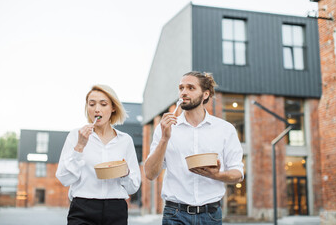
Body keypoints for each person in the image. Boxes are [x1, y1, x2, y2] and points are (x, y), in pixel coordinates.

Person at [144, 71, 244, 225]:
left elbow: (238, 174)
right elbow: (150, 174)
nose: (184, 92)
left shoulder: (225, 129)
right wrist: (165, 138)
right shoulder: (165, 128)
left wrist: (215, 175)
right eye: (181, 88)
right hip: (175, 214)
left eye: (191, 88)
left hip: (210, 215)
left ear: (205, 94)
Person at [56, 84, 141, 225]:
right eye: (92, 104)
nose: (97, 109)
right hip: (82, 208)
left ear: (113, 108)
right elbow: (64, 178)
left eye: (103, 104)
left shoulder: (125, 140)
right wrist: (80, 147)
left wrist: (124, 172)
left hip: (116, 210)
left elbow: (133, 187)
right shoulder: (75, 136)